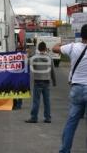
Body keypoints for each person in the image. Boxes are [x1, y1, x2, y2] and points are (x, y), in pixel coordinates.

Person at [53, 24, 87, 153]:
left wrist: (61, 43)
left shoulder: (73, 47)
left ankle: (65, 150)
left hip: (76, 88)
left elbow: (55, 49)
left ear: (81, 35)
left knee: (72, 122)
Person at [25, 41, 56, 123]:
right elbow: (52, 71)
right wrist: (54, 81)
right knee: (47, 101)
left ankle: (34, 117)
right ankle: (48, 118)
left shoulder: (34, 58)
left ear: (38, 49)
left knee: (36, 101)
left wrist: (27, 54)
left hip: (37, 81)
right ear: (45, 49)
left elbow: (26, 62)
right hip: (47, 82)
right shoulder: (49, 58)